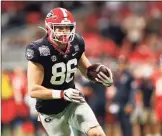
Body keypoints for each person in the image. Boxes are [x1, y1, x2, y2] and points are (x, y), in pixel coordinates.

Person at [25, 7, 113, 136]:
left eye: (67, 27)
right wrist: (61, 93)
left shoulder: (76, 43)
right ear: (49, 28)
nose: (64, 31)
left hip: (73, 101)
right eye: (59, 28)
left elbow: (86, 70)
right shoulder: (39, 50)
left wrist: (101, 77)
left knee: (97, 133)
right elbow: (33, 90)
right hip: (49, 111)